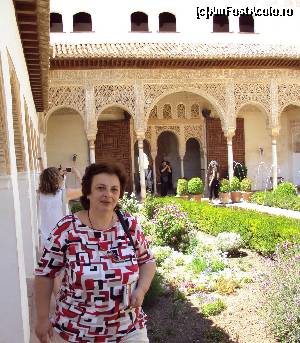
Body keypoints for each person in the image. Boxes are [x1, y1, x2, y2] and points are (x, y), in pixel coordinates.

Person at [35, 162, 156, 343]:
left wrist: (141, 289)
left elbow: (147, 261)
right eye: (101, 188)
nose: (108, 194)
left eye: (114, 189)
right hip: (76, 332)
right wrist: (43, 318)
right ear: (88, 192)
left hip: (128, 330)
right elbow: (45, 274)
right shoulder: (68, 229)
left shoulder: (129, 224)